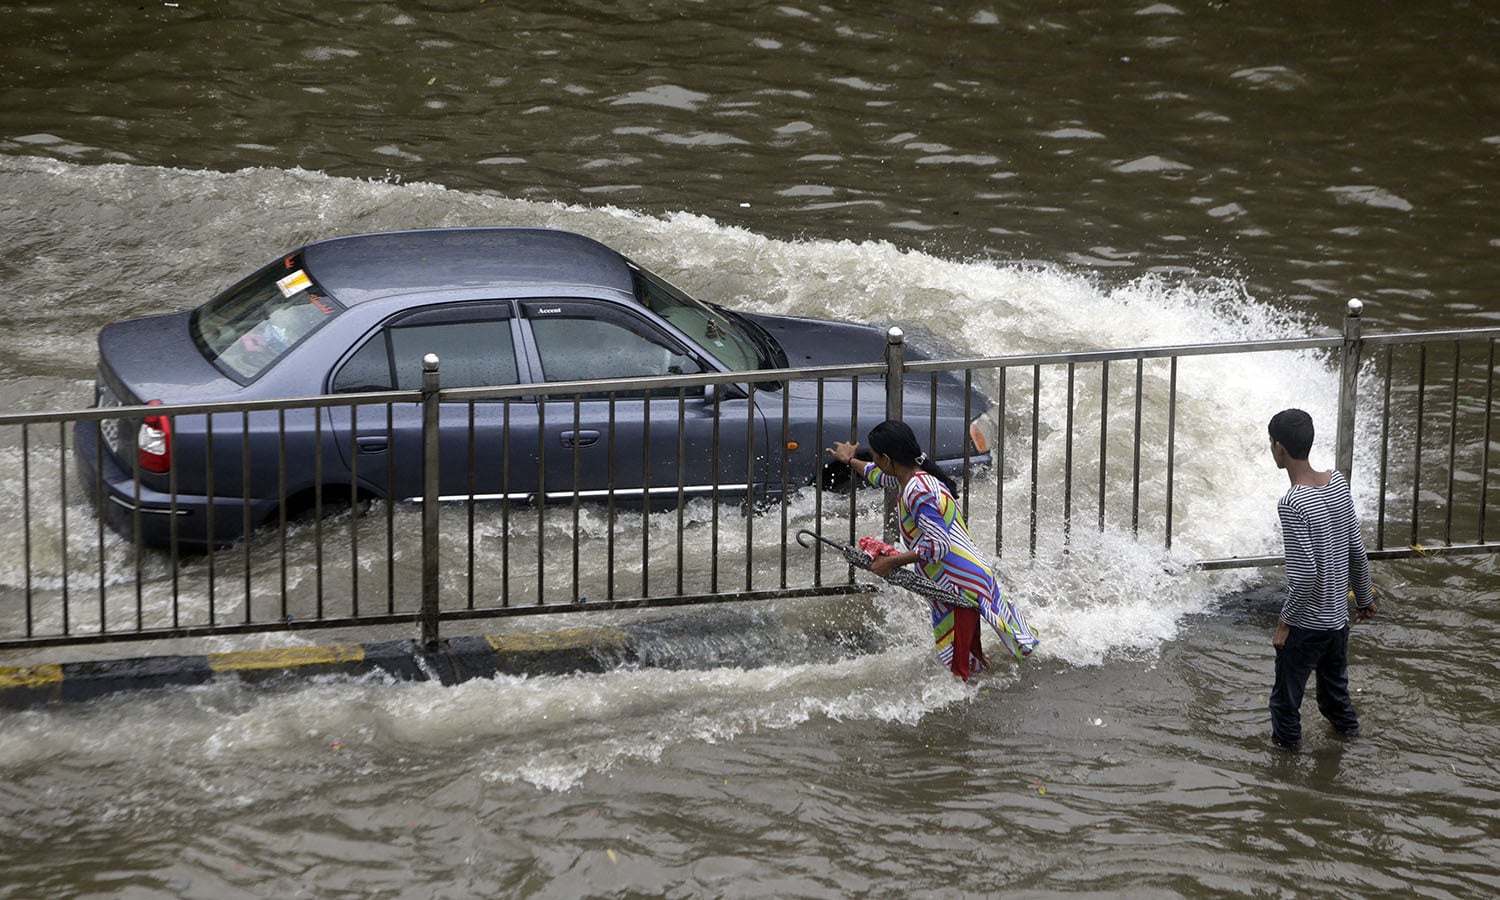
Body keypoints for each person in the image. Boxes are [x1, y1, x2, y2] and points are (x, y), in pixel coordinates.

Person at [828, 419, 1038, 679]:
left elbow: (938, 546)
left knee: (961, 671)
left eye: (873, 456)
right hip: (968, 576)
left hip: (959, 584)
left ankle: (979, 706)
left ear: (887, 458)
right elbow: (878, 475)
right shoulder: (914, 477)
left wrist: (890, 562)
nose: (871, 460)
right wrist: (849, 460)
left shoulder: (918, 491)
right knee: (976, 658)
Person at [1266, 408, 1376, 750]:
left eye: (1272, 443)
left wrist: (1284, 623)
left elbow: (1305, 577)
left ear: (1280, 448)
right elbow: (1356, 549)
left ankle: (1288, 781)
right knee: (1334, 701)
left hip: (1307, 627)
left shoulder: (1293, 502)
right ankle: (1356, 749)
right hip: (1337, 623)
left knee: (1285, 705)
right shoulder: (1338, 482)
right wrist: (1365, 596)